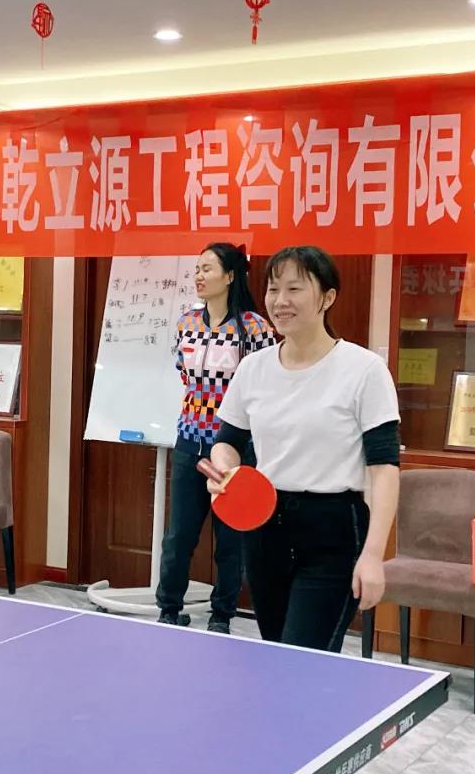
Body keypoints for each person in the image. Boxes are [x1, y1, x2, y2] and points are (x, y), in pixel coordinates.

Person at [209, 246, 400, 661]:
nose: (280, 301)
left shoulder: (365, 370)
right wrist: (225, 469)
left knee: (304, 661)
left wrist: (373, 555)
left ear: (327, 297)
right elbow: (227, 441)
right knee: (278, 656)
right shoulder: (253, 368)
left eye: (295, 289)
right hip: (265, 529)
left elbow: (385, 469)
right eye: (273, 289)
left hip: (332, 529)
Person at [155, 242, 275, 634]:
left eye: (207, 268)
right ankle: (168, 608)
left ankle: (222, 614)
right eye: (196, 269)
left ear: (230, 276)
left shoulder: (255, 329)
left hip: (236, 448)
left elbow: (264, 387)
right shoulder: (187, 323)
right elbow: (183, 374)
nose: (199, 276)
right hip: (190, 442)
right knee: (179, 535)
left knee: (231, 538)